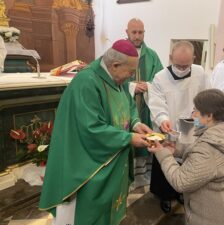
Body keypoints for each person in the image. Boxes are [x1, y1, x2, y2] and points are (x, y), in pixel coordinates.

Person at [39, 39, 152, 225]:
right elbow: (91, 128)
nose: (131, 78)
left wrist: (135, 123)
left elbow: (128, 104)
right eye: (130, 72)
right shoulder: (86, 82)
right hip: (88, 162)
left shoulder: (117, 78)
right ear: (115, 65)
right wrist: (129, 138)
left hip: (112, 156)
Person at [148, 89, 224, 225]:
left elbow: (181, 181)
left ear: (209, 115)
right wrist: (177, 150)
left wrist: (162, 153)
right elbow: (208, 160)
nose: (192, 115)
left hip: (211, 216)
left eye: (195, 111)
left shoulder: (208, 149)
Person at [148, 40, 207, 213]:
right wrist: (162, 119)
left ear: (194, 59)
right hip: (169, 125)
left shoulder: (200, 72)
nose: (181, 69)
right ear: (170, 58)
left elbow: (205, 97)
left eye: (185, 65)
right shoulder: (160, 77)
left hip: (192, 125)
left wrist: (200, 120)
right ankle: (164, 195)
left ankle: (183, 191)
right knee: (166, 159)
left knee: (189, 159)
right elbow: (157, 102)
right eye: (177, 65)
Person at [125, 18, 163, 189]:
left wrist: (147, 85)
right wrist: (132, 86)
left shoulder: (152, 55)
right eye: (134, 32)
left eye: (141, 32)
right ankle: (127, 176)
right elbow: (111, 80)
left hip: (146, 107)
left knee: (146, 133)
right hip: (125, 105)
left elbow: (161, 80)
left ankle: (143, 175)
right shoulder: (118, 52)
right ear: (127, 32)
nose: (137, 36)